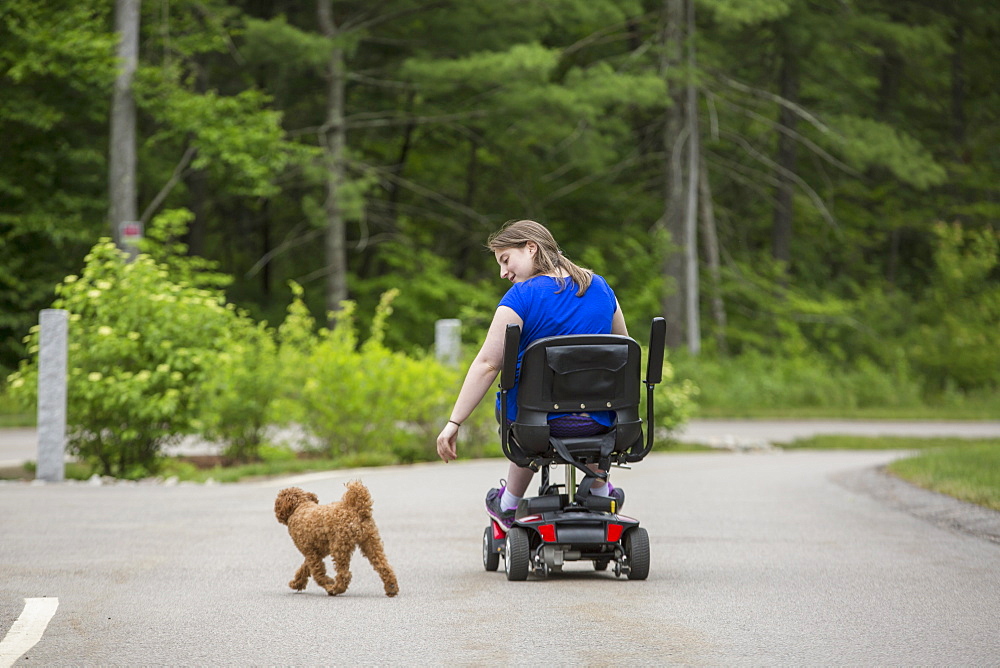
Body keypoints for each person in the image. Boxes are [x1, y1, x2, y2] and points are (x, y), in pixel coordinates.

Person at [436, 219, 629, 531]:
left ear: (530, 248)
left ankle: (509, 503)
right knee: (582, 402)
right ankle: (599, 490)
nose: (503, 273)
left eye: (505, 260)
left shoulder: (521, 297)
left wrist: (454, 422)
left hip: (536, 426)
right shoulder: (601, 287)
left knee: (527, 405)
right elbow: (622, 348)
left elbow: (487, 364)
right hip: (600, 420)